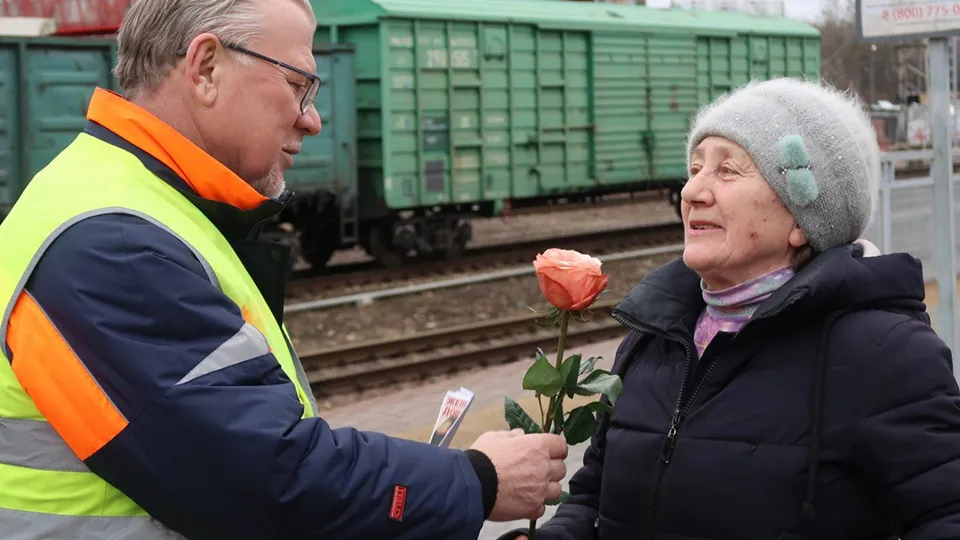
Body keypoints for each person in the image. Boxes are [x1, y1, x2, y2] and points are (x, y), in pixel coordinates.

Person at [0, 0, 569, 538]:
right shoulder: (115, 242)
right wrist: (474, 479)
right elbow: (265, 483)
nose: (313, 120)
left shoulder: (119, 199)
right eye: (298, 85)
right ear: (205, 67)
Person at [501, 77, 960, 540]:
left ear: (803, 222)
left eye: (727, 171)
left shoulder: (885, 355)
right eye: (695, 168)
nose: (692, 192)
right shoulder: (653, 338)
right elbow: (593, 500)